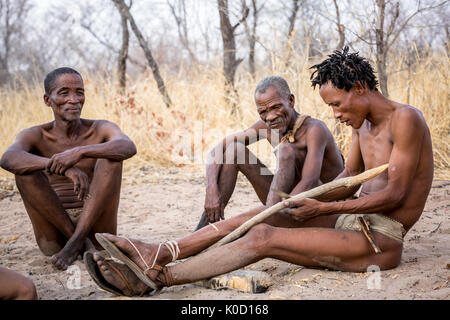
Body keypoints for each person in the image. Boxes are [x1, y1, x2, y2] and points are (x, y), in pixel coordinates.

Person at [86, 47, 433, 296]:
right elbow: (346, 180)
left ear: (359, 88)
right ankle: (160, 251)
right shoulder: (362, 125)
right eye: (331, 107)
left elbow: (395, 195)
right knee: (260, 215)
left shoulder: (406, 119)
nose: (336, 114)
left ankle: (156, 279)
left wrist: (322, 208)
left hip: (379, 240)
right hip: (348, 221)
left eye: (337, 104)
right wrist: (297, 204)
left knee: (262, 237)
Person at [0, 67, 137, 270]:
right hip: (54, 233)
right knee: (25, 173)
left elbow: (128, 147)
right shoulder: (37, 135)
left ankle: (76, 242)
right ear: (48, 100)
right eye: (64, 93)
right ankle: (78, 242)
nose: (73, 99)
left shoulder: (99, 128)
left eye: (79, 92)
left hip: (96, 227)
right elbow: (8, 158)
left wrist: (80, 152)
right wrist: (60, 167)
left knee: (111, 159)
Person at [195, 75, 344, 230]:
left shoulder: (314, 129)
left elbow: (310, 182)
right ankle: (203, 228)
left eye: (276, 107)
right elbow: (218, 149)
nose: (271, 116)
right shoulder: (268, 127)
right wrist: (211, 190)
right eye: (263, 111)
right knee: (234, 150)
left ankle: (272, 222)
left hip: (319, 208)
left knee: (285, 150)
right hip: (282, 202)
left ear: (291, 101)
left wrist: (271, 214)